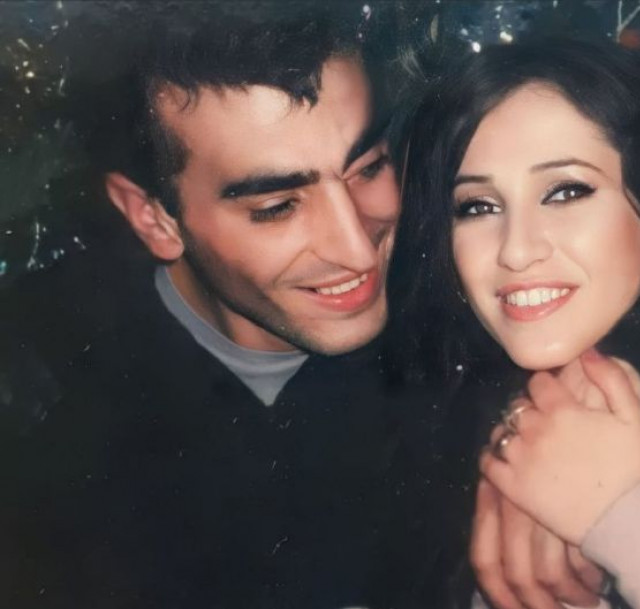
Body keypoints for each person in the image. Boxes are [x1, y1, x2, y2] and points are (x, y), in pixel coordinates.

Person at [0, 9, 438, 609]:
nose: (358, 249)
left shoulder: (462, 302)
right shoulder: (41, 415)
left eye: (368, 168)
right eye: (277, 206)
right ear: (154, 219)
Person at [389, 38, 640, 609]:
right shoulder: (441, 426)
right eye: (477, 206)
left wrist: (629, 517)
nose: (516, 250)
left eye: (566, 191)